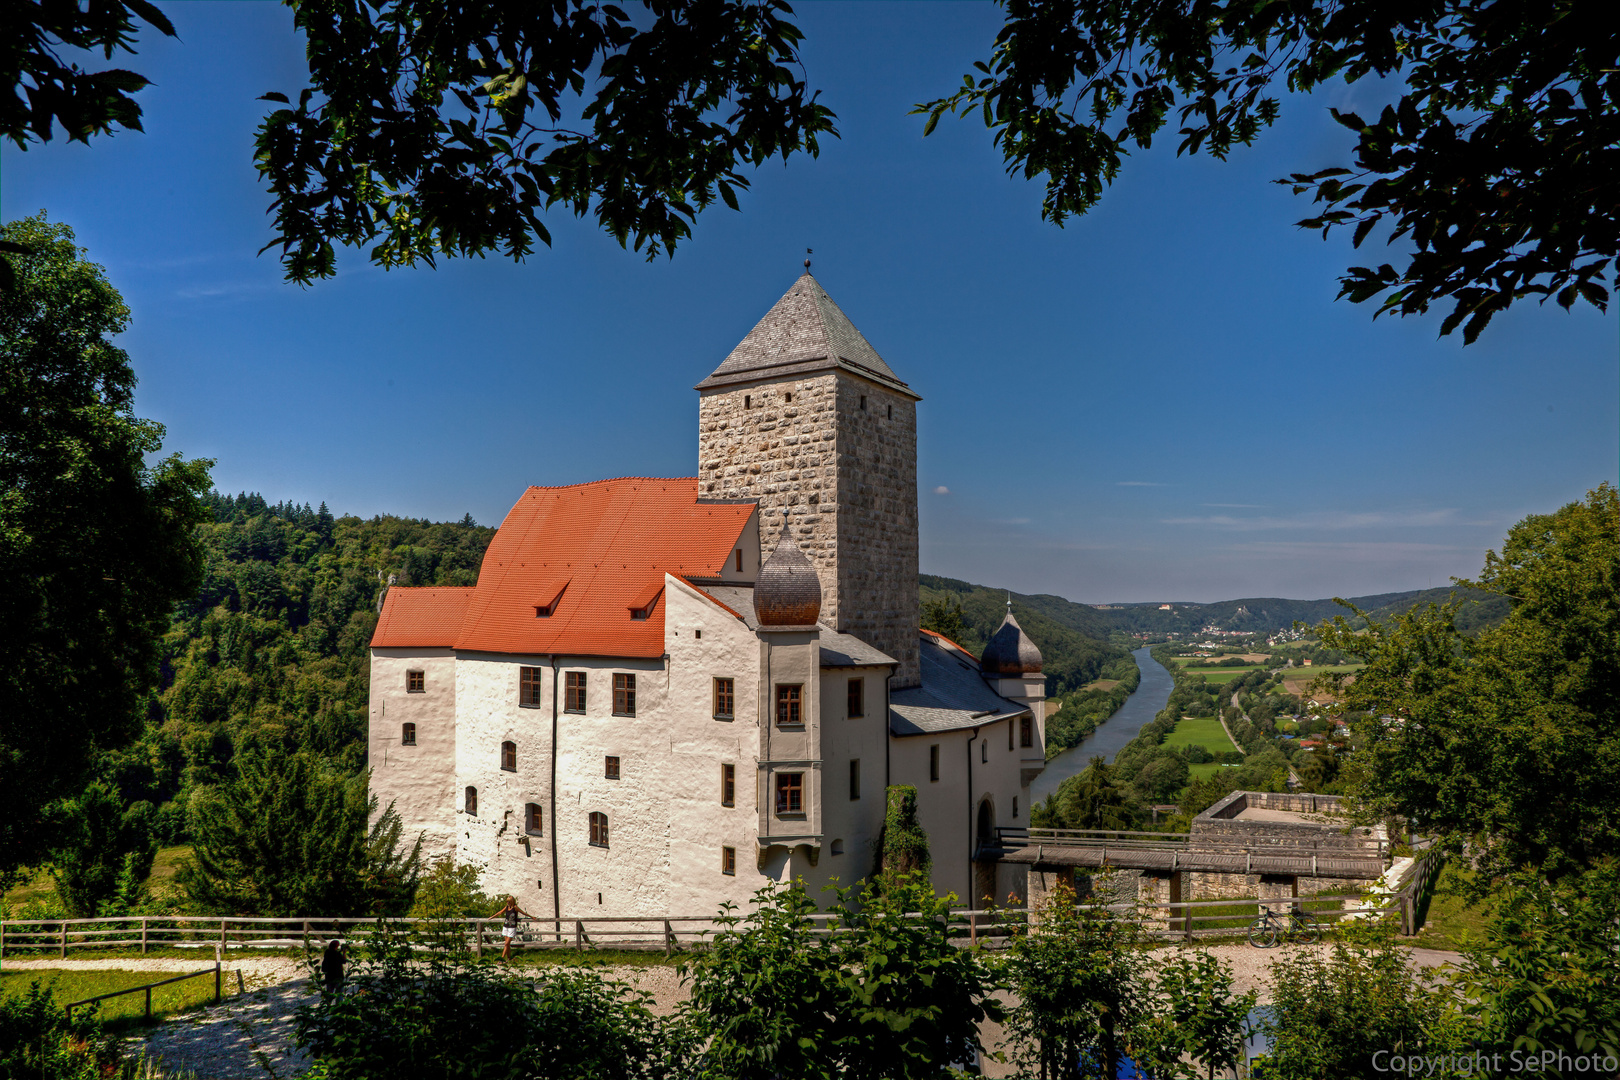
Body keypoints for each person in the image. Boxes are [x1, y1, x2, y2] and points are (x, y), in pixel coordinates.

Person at [490, 895, 534, 962]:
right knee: (507, 944)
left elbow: (523, 912)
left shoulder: (515, 907)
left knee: (506, 944)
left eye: (509, 901)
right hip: (506, 926)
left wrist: (531, 917)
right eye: (507, 901)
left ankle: (501, 959)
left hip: (512, 927)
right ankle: (509, 958)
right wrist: (492, 917)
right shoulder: (507, 907)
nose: (508, 903)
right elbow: (500, 912)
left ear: (512, 902)